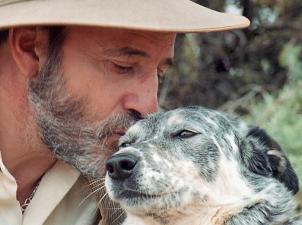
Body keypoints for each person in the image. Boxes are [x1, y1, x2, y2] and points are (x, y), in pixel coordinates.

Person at [0, 0, 249, 225]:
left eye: (160, 73)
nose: (149, 108)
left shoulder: (131, 185)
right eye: (123, 66)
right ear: (31, 49)